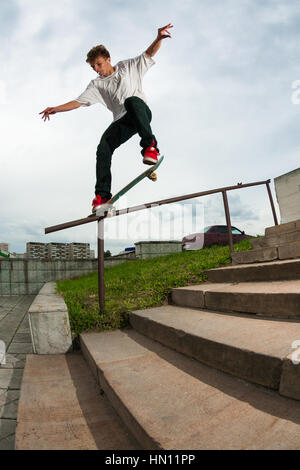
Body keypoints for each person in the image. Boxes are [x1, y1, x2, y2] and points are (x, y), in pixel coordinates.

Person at [40, 23, 173, 213]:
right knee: (104, 147)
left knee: (131, 101)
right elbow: (78, 102)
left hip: (140, 112)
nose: (96, 69)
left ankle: (150, 147)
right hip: (122, 121)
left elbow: (149, 54)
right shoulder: (96, 85)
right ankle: (102, 195)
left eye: (99, 64)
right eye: (93, 66)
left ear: (109, 59)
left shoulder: (128, 67)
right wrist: (57, 109)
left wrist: (158, 38)